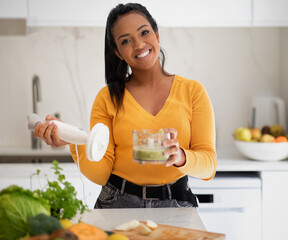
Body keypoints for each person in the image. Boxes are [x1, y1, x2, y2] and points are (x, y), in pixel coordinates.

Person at [34, 3, 216, 208]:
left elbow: (209, 165)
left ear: (157, 35)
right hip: (118, 202)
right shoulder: (107, 98)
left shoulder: (192, 91)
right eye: (126, 41)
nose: (138, 45)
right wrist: (72, 141)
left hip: (177, 202)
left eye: (144, 32)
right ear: (118, 52)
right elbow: (101, 173)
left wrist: (181, 156)